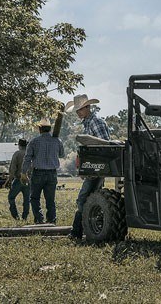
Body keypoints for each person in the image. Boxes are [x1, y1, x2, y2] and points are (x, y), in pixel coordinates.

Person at [65, 94, 111, 239]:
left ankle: (76, 232)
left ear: (88, 107)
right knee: (92, 197)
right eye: (77, 110)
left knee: (84, 197)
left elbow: (104, 146)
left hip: (98, 166)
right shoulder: (88, 123)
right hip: (94, 166)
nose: (78, 113)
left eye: (80, 109)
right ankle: (88, 229)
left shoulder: (95, 122)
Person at [22, 118, 64, 224]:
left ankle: (39, 220)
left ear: (40, 129)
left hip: (38, 173)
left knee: (35, 198)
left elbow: (27, 158)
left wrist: (23, 172)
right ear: (49, 129)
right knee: (50, 200)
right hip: (52, 173)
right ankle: (51, 220)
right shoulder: (57, 141)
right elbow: (61, 155)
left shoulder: (34, 142)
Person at [5, 139, 30, 221]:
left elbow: (13, 168)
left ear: (19, 145)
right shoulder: (30, 154)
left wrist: (9, 179)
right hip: (28, 179)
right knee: (27, 199)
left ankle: (16, 216)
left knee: (11, 197)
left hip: (18, 179)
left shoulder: (17, 154)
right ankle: (25, 217)